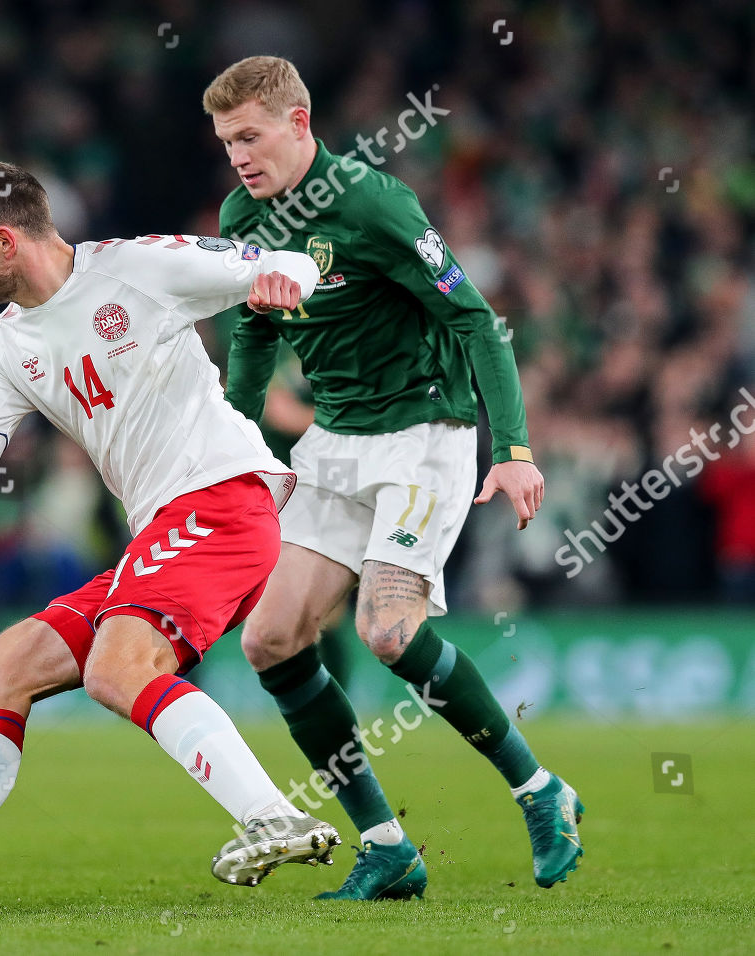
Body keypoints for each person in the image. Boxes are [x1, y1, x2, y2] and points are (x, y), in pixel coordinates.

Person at [0, 161, 331, 915]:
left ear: (3, 240)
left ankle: (273, 818)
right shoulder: (2, 345)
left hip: (222, 500)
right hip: (163, 528)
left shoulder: (138, 268)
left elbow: (278, 263)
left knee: (116, 670)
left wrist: (286, 280)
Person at [203, 56, 582, 900]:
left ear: (300, 124)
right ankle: (386, 845)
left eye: (251, 136)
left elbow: (477, 322)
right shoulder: (242, 216)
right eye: (228, 141)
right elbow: (255, 333)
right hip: (334, 444)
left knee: (385, 631)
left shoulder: (375, 204)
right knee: (268, 641)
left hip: (422, 437)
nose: (238, 155)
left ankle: (540, 790)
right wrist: (232, 443)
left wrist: (512, 449)